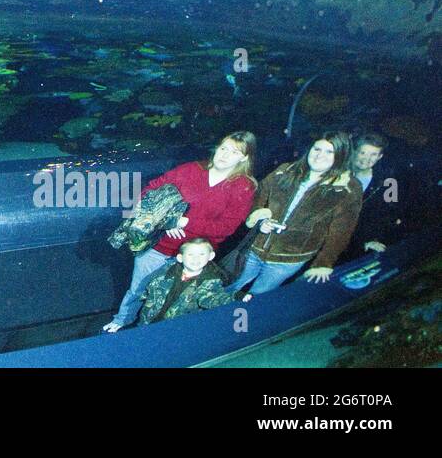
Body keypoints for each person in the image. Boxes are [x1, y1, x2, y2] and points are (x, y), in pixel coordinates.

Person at [104, 131, 256, 332]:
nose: (225, 155)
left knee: (180, 299)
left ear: (244, 158)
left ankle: (163, 331)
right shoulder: (190, 169)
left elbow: (226, 228)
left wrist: (184, 221)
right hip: (160, 246)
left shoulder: (243, 187)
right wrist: (167, 219)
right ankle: (121, 320)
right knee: (138, 289)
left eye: (234, 152)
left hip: (196, 256)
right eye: (223, 148)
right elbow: (150, 191)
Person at [229, 131, 362, 296]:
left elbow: (341, 232)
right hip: (255, 247)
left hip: (289, 259)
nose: (320, 155)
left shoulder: (347, 189)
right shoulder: (286, 170)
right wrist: (259, 219)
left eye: (330, 152)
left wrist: (323, 263)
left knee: (257, 296)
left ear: (340, 156)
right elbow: (258, 195)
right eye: (317, 149)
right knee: (231, 285)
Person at [135, 238, 235, 326]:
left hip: (175, 328)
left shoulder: (210, 281)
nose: (196, 258)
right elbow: (150, 288)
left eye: (202, 254)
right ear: (180, 258)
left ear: (211, 256)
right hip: (147, 321)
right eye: (190, 254)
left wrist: (235, 297)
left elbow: (212, 298)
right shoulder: (166, 271)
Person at [347, 133, 402, 255]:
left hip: (357, 243)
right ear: (354, 151)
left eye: (373, 154)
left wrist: (369, 240)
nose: (366, 159)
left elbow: (389, 213)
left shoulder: (389, 182)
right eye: (363, 153)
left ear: (380, 157)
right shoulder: (337, 173)